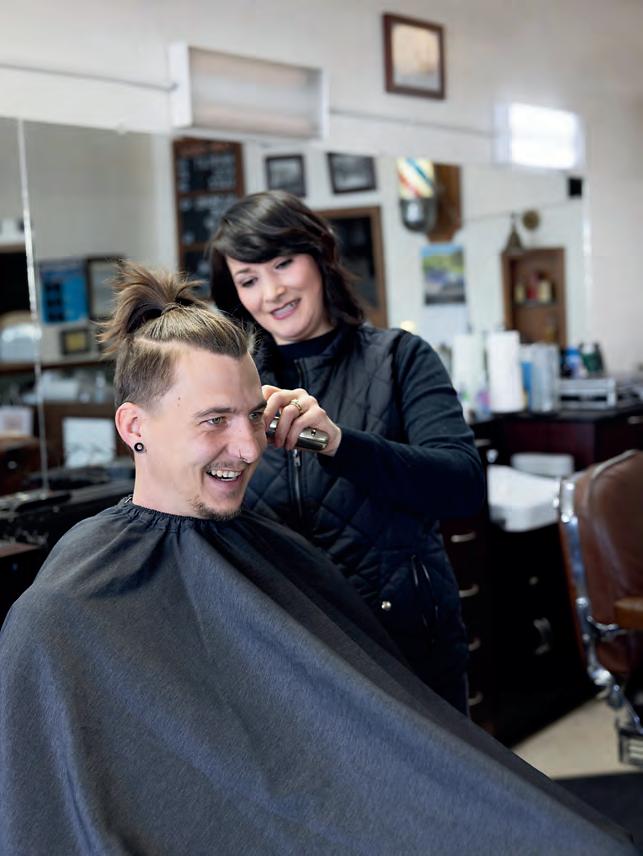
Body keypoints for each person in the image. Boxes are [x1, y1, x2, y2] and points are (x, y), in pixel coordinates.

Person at [0, 262, 636, 855]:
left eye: (254, 416)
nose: (249, 447)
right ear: (134, 426)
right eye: (214, 420)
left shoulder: (270, 547)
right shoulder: (62, 612)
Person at [209, 190, 485, 714]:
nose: (271, 292)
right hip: (288, 652)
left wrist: (338, 444)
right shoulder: (232, 390)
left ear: (320, 255)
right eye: (248, 279)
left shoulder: (400, 359)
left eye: (283, 263)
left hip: (406, 642)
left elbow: (462, 485)